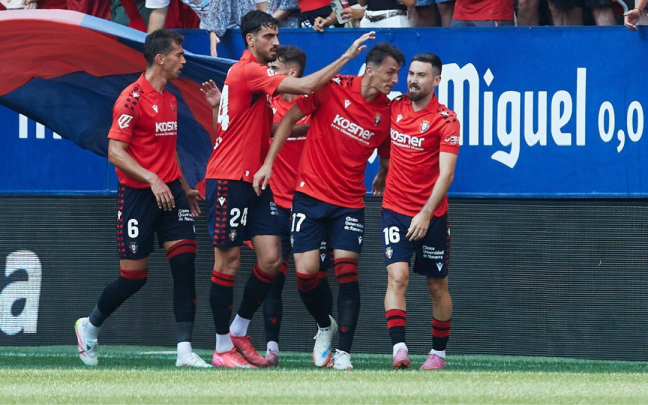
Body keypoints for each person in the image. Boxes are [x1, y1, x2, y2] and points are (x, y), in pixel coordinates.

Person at [202, 10, 375, 369]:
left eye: (276, 35)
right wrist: (345, 58)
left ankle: (239, 328)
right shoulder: (248, 70)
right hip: (229, 179)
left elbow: (273, 128)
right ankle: (221, 348)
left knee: (271, 259)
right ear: (250, 40)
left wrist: (321, 128)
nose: (276, 42)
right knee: (228, 262)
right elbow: (308, 87)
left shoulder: (253, 78)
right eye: (268, 36)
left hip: (254, 180)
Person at [254, 42, 404, 370]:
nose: (395, 80)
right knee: (306, 275)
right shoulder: (333, 88)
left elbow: (386, 151)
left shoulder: (386, 113)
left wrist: (381, 172)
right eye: (391, 72)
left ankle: (344, 354)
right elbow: (291, 117)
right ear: (371, 68)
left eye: (398, 74)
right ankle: (325, 325)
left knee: (347, 272)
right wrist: (268, 162)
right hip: (308, 197)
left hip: (349, 203)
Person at [74, 29, 210, 368]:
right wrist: (151, 179)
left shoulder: (171, 97)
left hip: (172, 194)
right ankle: (89, 327)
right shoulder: (130, 98)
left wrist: (182, 184)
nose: (184, 59)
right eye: (179, 54)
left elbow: (167, 149)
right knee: (134, 277)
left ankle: (184, 351)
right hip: (138, 196)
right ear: (161, 58)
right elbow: (115, 151)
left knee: (184, 264)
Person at [379, 53, 459, 370]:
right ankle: (399, 349)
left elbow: (447, 174)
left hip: (431, 216)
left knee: (437, 286)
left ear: (436, 81)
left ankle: (438, 354)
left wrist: (426, 213)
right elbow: (382, 143)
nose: (412, 80)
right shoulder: (394, 107)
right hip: (394, 210)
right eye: (410, 74)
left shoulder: (446, 120)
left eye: (421, 75)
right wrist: (382, 172)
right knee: (397, 277)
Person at [261, 45, 334, 367]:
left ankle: (326, 331)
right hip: (275, 201)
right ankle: (271, 347)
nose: (268, 71)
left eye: (274, 66)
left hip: (311, 203)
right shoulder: (267, 103)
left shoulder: (314, 105)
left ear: (291, 73)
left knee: (316, 276)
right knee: (273, 273)